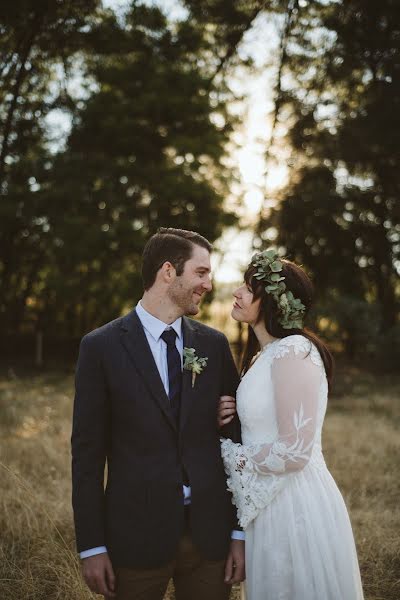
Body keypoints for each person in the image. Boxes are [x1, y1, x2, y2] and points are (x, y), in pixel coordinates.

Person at [71, 227, 245, 600]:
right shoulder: (100, 347)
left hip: (208, 537)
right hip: (134, 538)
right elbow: (86, 455)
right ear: (169, 271)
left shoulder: (213, 346)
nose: (208, 284)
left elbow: (235, 441)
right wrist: (92, 546)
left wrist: (238, 533)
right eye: (201, 272)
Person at [218, 249, 364, 600]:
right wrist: (231, 411)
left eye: (249, 288)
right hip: (269, 502)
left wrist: (225, 455)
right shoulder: (262, 356)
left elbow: (295, 452)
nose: (237, 292)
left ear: (272, 301)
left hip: (293, 504)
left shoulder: (294, 351)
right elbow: (267, 420)